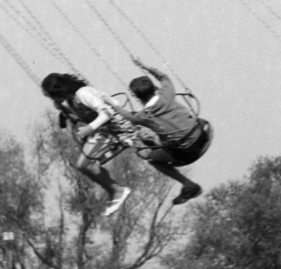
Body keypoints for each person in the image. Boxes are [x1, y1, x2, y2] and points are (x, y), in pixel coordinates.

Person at [41, 74, 140, 215]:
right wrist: (64, 113)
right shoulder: (71, 101)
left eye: (52, 97)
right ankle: (114, 190)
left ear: (58, 92)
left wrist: (90, 128)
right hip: (105, 131)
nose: (53, 100)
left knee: (83, 164)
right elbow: (81, 115)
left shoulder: (83, 94)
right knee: (85, 164)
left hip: (116, 129)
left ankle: (117, 190)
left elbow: (106, 113)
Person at [123, 63, 208, 204]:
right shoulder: (167, 93)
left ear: (138, 98)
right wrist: (145, 66)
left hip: (187, 151)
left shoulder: (144, 116)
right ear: (154, 88)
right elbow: (164, 77)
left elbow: (127, 116)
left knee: (151, 158)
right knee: (160, 135)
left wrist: (109, 103)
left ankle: (188, 185)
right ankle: (160, 145)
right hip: (201, 136)